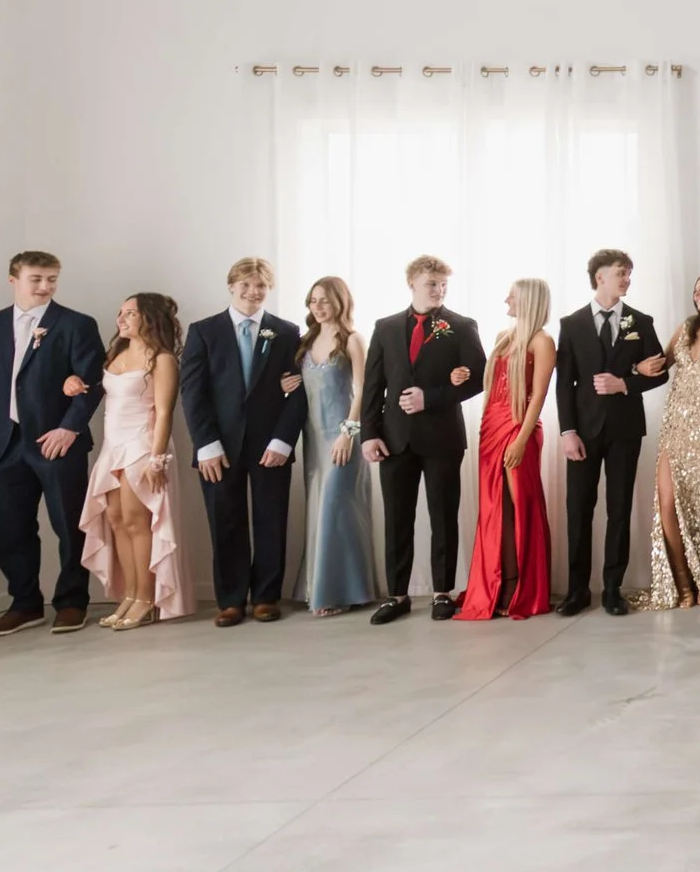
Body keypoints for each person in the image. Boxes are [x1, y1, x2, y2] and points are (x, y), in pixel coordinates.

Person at [0, 250, 106, 636]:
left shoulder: (77, 324)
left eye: (52, 279)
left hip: (57, 442)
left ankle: (72, 602)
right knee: (11, 529)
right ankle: (25, 604)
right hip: (4, 444)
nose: (45, 286)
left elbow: (92, 382)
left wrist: (70, 429)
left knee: (70, 525)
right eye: (37, 279)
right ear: (13, 280)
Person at [178, 257, 306, 628]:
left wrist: (283, 440)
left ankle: (266, 596)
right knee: (225, 522)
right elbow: (193, 392)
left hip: (270, 445)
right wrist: (206, 443)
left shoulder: (286, 331)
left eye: (261, 286)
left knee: (271, 520)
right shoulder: (204, 331)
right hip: (218, 447)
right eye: (246, 285)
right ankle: (231, 600)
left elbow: (298, 390)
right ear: (232, 286)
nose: (253, 292)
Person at [359, 255, 486, 625]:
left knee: (443, 516)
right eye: (432, 284)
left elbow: (480, 378)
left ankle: (442, 592)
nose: (439, 290)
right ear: (411, 283)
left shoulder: (461, 326)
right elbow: (372, 386)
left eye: (444, 284)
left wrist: (429, 398)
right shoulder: (384, 328)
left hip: (442, 438)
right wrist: (369, 434)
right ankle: (396, 596)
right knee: (397, 519)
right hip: (394, 439)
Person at [554, 249, 670, 617]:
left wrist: (624, 383)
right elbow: (564, 383)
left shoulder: (641, 321)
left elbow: (661, 372)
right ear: (599, 276)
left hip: (625, 429)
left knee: (619, 509)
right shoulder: (571, 324)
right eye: (621, 272)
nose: (627, 279)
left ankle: (612, 589)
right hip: (583, 431)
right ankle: (577, 591)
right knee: (578, 509)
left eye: (629, 273)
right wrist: (568, 431)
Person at [75, 293, 191, 629]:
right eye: (121, 313)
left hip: (142, 444)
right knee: (115, 519)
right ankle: (130, 593)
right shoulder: (118, 353)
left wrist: (157, 459)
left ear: (149, 318)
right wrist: (74, 384)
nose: (121, 319)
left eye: (130, 314)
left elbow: (165, 412)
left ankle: (146, 599)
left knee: (136, 521)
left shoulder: (162, 359)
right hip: (113, 445)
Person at [631, 272, 700, 610]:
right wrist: (637, 367)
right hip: (675, 427)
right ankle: (683, 587)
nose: (697, 293)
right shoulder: (685, 328)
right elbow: (661, 365)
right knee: (667, 503)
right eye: (694, 289)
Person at [458, 280, 558, 620]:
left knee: (522, 506)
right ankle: (499, 582)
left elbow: (538, 395)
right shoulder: (504, 337)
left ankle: (525, 587)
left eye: (512, 296)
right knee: (495, 509)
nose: (506, 300)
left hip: (519, 427)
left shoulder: (542, 341)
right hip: (491, 427)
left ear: (528, 300)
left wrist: (521, 439)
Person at [292, 276, 379, 617]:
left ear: (340, 302)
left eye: (325, 300)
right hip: (313, 438)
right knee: (319, 508)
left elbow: (363, 390)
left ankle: (337, 593)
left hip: (343, 436)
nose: (318, 306)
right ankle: (322, 587)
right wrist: (287, 385)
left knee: (336, 508)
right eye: (313, 300)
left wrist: (348, 432)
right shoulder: (306, 341)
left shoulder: (353, 339)